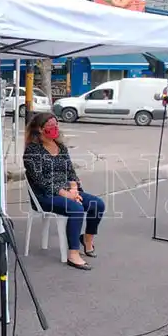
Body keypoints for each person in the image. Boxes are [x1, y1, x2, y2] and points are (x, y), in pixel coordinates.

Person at [23, 113, 105, 271]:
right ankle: (73, 254)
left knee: (97, 204)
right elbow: (41, 181)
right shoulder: (32, 152)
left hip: (68, 191)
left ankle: (87, 239)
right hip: (45, 196)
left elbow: (71, 172)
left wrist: (74, 189)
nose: (55, 128)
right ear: (40, 130)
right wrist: (67, 195)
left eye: (56, 125)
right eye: (50, 126)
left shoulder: (61, 147)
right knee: (76, 209)